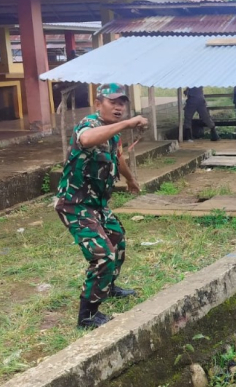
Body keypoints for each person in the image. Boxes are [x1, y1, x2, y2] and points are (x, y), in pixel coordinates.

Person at [55, 83, 149, 329]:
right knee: (102, 254)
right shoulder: (89, 125)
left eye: (122, 103)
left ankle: (107, 287)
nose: (118, 107)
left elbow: (118, 157)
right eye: (112, 102)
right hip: (75, 204)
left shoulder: (112, 133)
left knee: (117, 239)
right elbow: (86, 139)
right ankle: (87, 316)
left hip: (96, 204)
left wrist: (130, 179)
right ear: (98, 104)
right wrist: (127, 123)